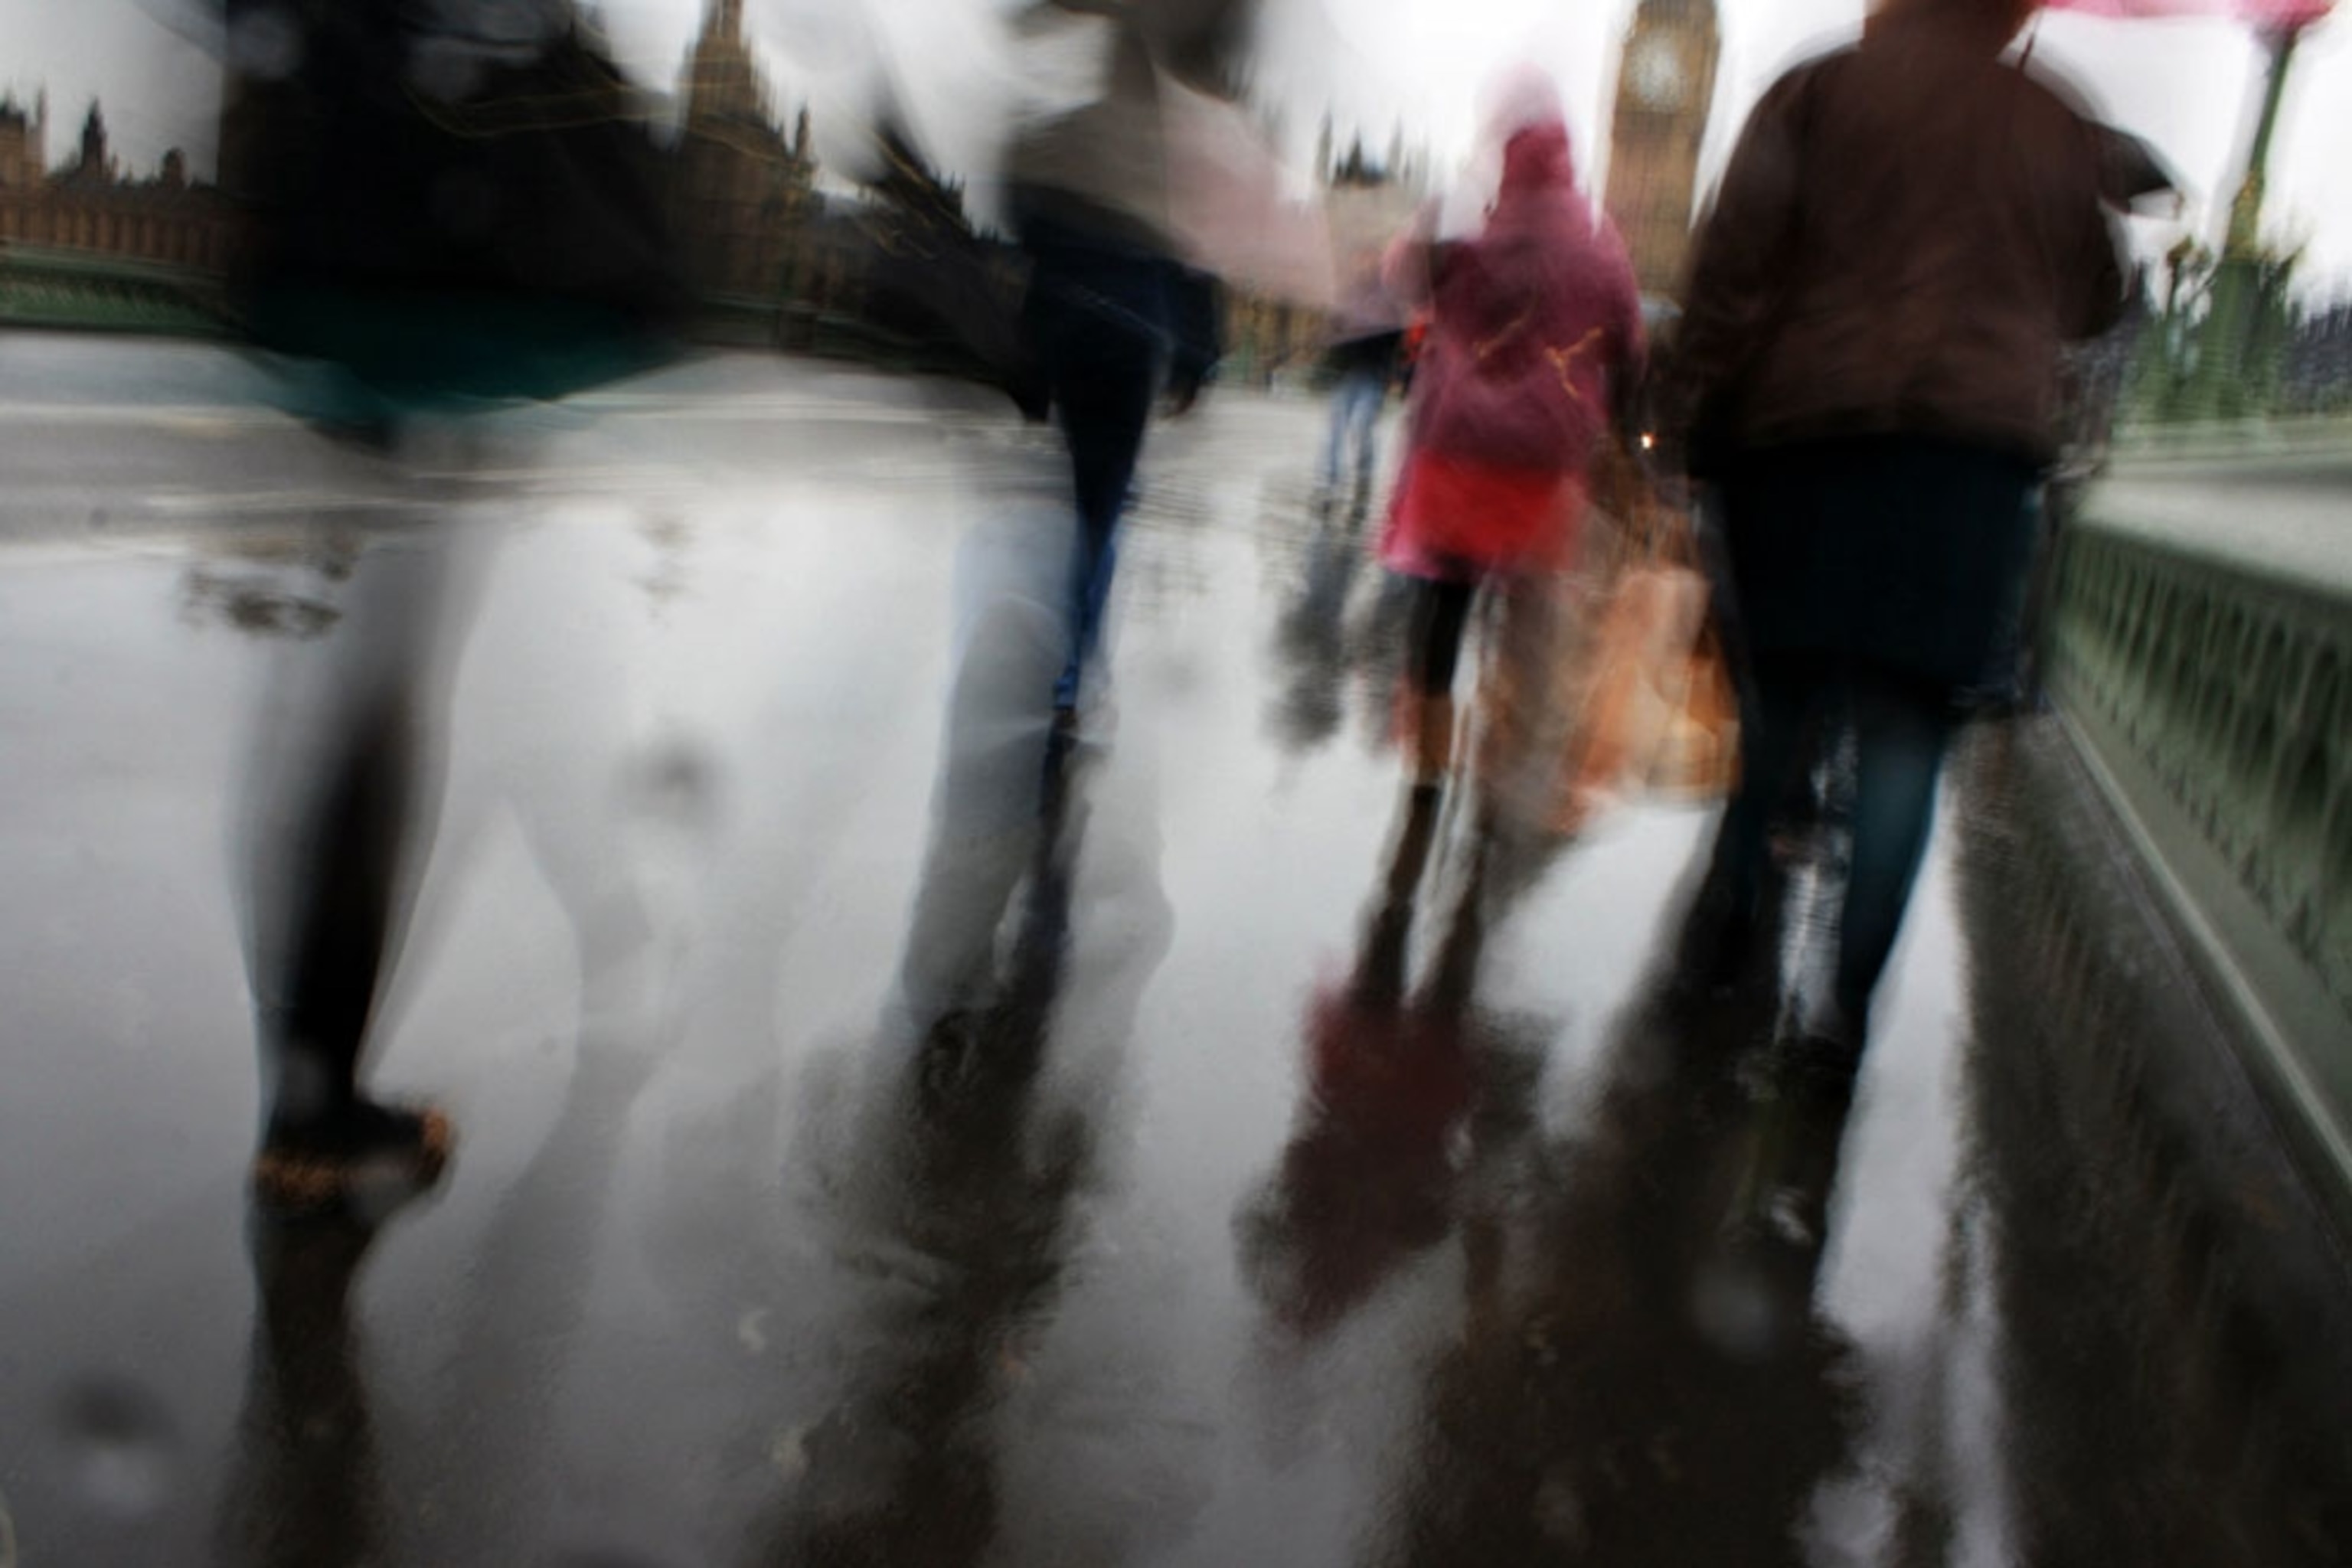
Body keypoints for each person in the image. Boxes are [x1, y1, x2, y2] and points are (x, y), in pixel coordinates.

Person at [1668, 0, 2125, 1057]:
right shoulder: (2054, 116)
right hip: (1969, 464)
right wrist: (2076, 183)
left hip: (1804, 439)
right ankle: (1843, 1019)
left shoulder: (1818, 89)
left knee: (1776, 712)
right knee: (1908, 736)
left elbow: (1730, 269)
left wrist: (1688, 422)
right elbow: (2097, 301)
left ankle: (1727, 933)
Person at [1378, 71, 1645, 812]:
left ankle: (1430, 755)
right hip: (1544, 458)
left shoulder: (1471, 223)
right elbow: (1629, 339)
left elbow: (1401, 275)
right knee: (1529, 608)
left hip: (1456, 448)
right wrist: (1620, 421)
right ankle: (1505, 751)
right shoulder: (1597, 238)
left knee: (1445, 598)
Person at [1004, 0, 1238, 735]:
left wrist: (1027, 354)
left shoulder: (1064, 126)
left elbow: (1026, 223)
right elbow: (1196, 259)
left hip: (1071, 323)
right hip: (1137, 331)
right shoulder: (1169, 147)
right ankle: (1077, 663)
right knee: (1105, 504)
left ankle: (1056, 639)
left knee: (1071, 487)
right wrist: (1197, 358)